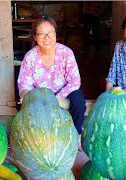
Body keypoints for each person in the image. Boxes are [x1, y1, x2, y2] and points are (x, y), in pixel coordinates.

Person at [17, 17, 86, 150]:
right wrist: (26, 95)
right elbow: (24, 83)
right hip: (39, 98)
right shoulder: (30, 57)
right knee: (20, 104)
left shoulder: (66, 53)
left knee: (78, 99)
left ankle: (77, 135)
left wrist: (56, 98)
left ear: (55, 34)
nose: (47, 37)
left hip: (62, 95)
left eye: (50, 33)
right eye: (42, 34)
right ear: (35, 37)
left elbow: (75, 80)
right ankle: (37, 140)